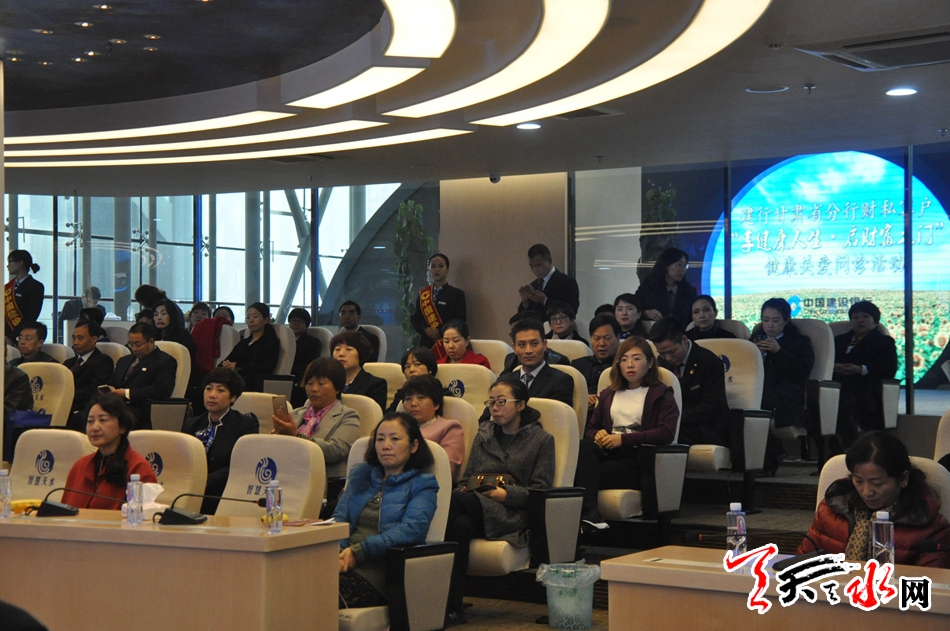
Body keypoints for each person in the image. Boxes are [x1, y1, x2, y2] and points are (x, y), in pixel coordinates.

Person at [444, 377, 555, 625]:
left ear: (521, 405)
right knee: (459, 525)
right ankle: (453, 608)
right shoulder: (483, 435)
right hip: (476, 505)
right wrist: (467, 489)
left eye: (502, 402)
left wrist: (507, 494)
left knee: (450, 502)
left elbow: (540, 491)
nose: (494, 408)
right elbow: (466, 479)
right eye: (491, 402)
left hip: (510, 513)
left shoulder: (542, 440)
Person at [798, 431, 950, 568]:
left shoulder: (931, 527)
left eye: (877, 483)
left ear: (903, 479)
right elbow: (803, 564)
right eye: (858, 481)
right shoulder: (832, 509)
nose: (867, 492)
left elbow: (930, 582)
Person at [333, 412, 438, 608]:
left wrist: (358, 552)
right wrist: (339, 554)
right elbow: (339, 518)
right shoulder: (361, 475)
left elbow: (412, 529)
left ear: (414, 446)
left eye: (395, 439)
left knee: (317, 593)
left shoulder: (422, 485)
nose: (385, 445)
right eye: (380, 439)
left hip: (380, 571)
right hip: (341, 560)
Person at [575, 337, 679, 525]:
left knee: (582, 473)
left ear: (650, 363)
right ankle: (590, 513)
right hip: (608, 453)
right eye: (624, 360)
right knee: (583, 447)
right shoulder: (609, 394)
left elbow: (666, 433)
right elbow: (591, 428)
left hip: (637, 460)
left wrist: (623, 440)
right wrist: (597, 434)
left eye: (636, 358)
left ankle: (588, 513)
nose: (630, 364)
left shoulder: (661, 394)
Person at [181, 367, 259, 514]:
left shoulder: (246, 424)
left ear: (233, 397)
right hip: (192, 490)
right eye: (208, 389)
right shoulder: (192, 424)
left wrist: (206, 481)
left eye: (220, 390)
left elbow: (243, 464)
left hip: (225, 492)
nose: (212, 395)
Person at [61, 393, 157, 509]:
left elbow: (144, 516)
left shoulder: (138, 468)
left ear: (122, 427)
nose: (94, 427)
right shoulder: (79, 466)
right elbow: (63, 513)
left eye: (103, 420)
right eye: (90, 421)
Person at [752, 297, 815, 473]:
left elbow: (801, 373)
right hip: (760, 390)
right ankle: (771, 452)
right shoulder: (754, 340)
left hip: (787, 394)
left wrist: (778, 352)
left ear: (786, 321)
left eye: (775, 320)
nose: (770, 325)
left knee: (756, 401)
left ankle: (769, 459)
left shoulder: (800, 343)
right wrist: (754, 353)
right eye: (765, 320)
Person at [271, 357, 361, 478]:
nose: (314, 389)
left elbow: (336, 450)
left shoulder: (348, 416)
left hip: (325, 478)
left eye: (321, 383)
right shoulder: (295, 414)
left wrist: (295, 435)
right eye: (309, 383)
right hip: (287, 473)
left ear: (338, 388)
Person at [650, 317, 730, 446]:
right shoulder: (662, 362)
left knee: (662, 435)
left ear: (684, 340)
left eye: (672, 352)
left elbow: (714, 405)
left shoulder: (709, 362)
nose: (668, 358)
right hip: (673, 422)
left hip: (704, 427)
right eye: (662, 353)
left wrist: (674, 417)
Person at [833, 300, 898, 447]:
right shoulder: (839, 340)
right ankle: (833, 449)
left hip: (866, 389)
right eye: (855, 317)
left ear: (875, 320)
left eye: (865, 316)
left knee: (842, 402)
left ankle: (851, 447)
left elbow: (889, 369)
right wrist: (834, 367)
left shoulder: (884, 342)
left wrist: (861, 369)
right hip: (838, 384)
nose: (859, 321)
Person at [489, 318, 574, 418]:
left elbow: (558, 420)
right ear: (514, 348)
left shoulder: (561, 381)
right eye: (522, 345)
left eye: (534, 343)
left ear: (544, 345)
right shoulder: (504, 381)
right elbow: (487, 417)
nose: (528, 350)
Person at [107, 323, 178, 430]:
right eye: (131, 344)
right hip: (116, 405)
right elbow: (113, 381)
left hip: (141, 410)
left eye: (138, 344)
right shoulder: (124, 360)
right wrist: (109, 388)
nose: (134, 349)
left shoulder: (164, 361)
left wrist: (127, 393)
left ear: (151, 342)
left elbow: (162, 390)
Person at [402, 374, 465, 480]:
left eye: (421, 397)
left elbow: (448, 469)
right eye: (408, 398)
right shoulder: (396, 428)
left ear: (436, 404)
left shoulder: (449, 428)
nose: (413, 403)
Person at [411, 252, 467, 355]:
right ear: (429, 270)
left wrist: (440, 330)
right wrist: (425, 329)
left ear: (447, 269)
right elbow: (416, 319)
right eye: (433, 266)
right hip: (426, 345)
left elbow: (459, 320)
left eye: (441, 266)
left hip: (447, 344)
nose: (437, 270)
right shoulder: (423, 294)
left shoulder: (457, 294)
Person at [64, 320, 115, 430]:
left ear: (94, 339)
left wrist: (67, 395)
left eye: (80, 338)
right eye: (74, 338)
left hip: (83, 407)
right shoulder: (68, 363)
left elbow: (94, 390)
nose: (75, 342)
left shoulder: (102, 361)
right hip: (64, 404)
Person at [221, 302, 280, 392]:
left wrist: (238, 366)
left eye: (255, 317)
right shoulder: (244, 343)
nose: (251, 321)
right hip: (235, 379)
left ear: (266, 320)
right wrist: (226, 365)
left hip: (253, 383)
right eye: (248, 317)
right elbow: (228, 359)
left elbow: (266, 367)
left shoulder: (271, 343)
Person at [514, 243, 580, 321]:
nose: (535, 270)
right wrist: (525, 302)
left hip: (557, 327)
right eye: (532, 266)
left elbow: (572, 310)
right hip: (536, 328)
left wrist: (545, 301)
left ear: (549, 261)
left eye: (538, 265)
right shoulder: (533, 285)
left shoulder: (567, 282)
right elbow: (521, 318)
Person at [634, 247, 696, 327]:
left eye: (685, 265)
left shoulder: (689, 291)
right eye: (679, 265)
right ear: (666, 265)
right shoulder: (648, 287)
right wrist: (645, 313)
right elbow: (634, 306)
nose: (682, 269)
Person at [572, 315, 621, 413]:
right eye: (597, 338)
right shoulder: (577, 365)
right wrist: (582, 399)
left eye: (607, 338)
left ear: (618, 338)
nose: (601, 343)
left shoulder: (623, 367)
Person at [328, 331, 388, 411]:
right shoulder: (326, 382)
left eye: (349, 349)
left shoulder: (375, 385)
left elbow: (375, 415)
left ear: (361, 355)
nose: (341, 354)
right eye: (337, 349)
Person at [5, 249, 44, 342]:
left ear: (20, 263)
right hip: (4, 335)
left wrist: (12, 336)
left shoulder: (36, 286)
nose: (7, 265)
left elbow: (31, 315)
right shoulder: (7, 287)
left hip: (20, 337)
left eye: (10, 262)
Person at [288, 307, 322, 408]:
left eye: (300, 321)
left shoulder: (313, 342)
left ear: (306, 325)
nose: (296, 324)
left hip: (300, 377)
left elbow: (313, 363)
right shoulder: (284, 340)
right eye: (293, 320)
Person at [388, 346, 439, 413]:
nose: (411, 370)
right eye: (407, 367)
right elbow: (389, 416)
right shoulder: (401, 394)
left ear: (430, 369)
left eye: (417, 364)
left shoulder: (441, 392)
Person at [153, 298, 197, 371]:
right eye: (156, 314)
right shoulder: (154, 336)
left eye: (163, 314)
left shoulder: (182, 335)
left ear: (172, 315)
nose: (159, 318)